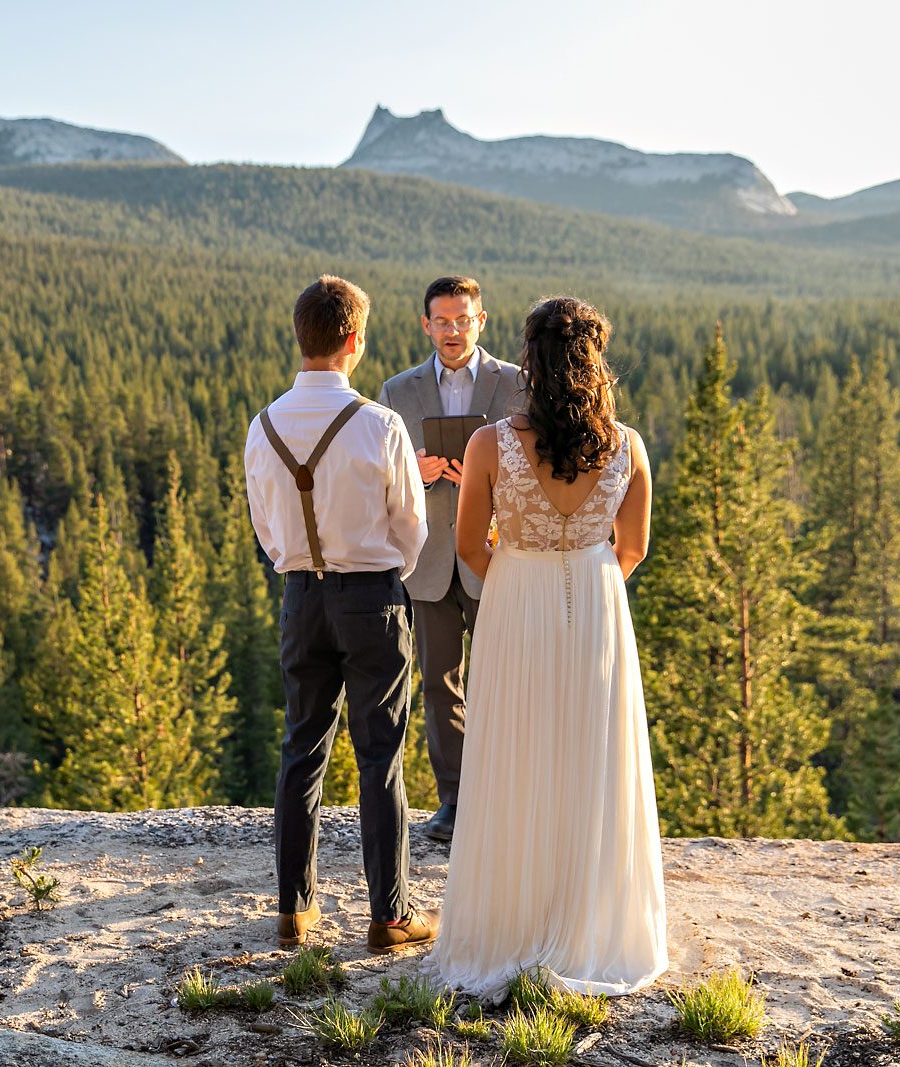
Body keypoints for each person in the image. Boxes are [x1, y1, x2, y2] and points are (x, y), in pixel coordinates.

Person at [427, 295, 668, 997]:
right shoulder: (628, 445)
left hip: (514, 601)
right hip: (597, 604)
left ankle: (513, 923)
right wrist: (585, 578)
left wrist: (526, 568)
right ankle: (592, 922)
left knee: (517, 752)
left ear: (529, 360)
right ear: (596, 363)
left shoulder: (488, 444)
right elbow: (635, 547)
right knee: (591, 755)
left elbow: (469, 546)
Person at [244, 274, 439, 954]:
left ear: (301, 337)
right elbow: (412, 526)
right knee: (380, 756)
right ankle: (390, 914)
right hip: (371, 597)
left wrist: (307, 566)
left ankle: (294, 910)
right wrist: (384, 575)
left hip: (301, 596)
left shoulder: (261, 426)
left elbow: (266, 529)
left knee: (302, 748)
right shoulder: (381, 426)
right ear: (355, 341)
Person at [377, 276, 525, 842]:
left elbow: (534, 473)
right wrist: (413, 473)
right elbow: (382, 479)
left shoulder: (517, 384)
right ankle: (456, 803)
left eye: (463, 319)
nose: (452, 331)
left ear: (481, 321)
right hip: (432, 562)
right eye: (442, 321)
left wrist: (487, 480)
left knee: (503, 681)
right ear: (426, 325)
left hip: (497, 557)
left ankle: (505, 798)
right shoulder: (397, 390)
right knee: (440, 685)